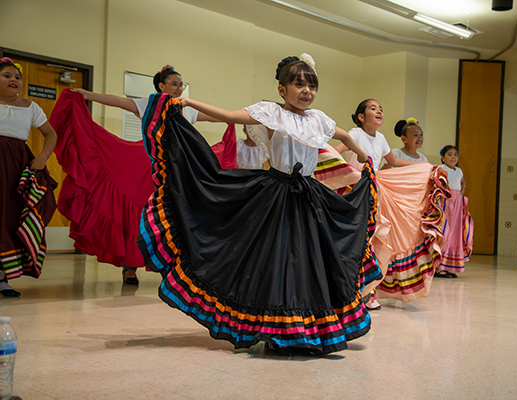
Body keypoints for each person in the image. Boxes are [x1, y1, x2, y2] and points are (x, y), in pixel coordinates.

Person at [137, 54, 382, 355]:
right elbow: (229, 115)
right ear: (282, 89)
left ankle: (304, 327)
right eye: (298, 84)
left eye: (312, 86)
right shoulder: (271, 112)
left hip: (308, 196)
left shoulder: (318, 119)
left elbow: (343, 134)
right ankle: (274, 327)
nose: (306, 91)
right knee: (276, 261)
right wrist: (189, 103)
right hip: (275, 196)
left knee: (307, 262)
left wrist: (365, 157)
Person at [51, 65, 232, 285]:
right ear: (161, 85)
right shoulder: (149, 103)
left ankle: (173, 265)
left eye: (181, 85)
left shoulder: (187, 108)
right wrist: (88, 95)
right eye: (174, 84)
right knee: (139, 212)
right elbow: (117, 101)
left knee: (174, 213)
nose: (179, 88)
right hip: (146, 161)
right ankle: (130, 266)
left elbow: (213, 116)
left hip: (176, 166)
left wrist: (232, 118)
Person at [320, 102, 449, 308]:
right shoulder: (354, 133)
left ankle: (370, 292)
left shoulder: (380, 138)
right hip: (356, 190)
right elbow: (336, 150)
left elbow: (395, 162)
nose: (379, 111)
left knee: (377, 239)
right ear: (361, 116)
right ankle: (351, 290)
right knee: (361, 238)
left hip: (376, 189)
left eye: (381, 108)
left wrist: (425, 166)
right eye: (373, 108)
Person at [0, 57, 58, 297]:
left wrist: (43, 157)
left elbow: (51, 134)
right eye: (7, 75)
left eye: (17, 77)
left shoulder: (31, 106)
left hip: (16, 168)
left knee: (10, 215)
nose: (14, 79)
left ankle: (3, 278)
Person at [436, 145, 473, 277]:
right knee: (446, 231)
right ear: (442, 157)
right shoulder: (441, 169)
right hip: (446, 202)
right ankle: (439, 266)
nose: (453, 157)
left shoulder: (459, 170)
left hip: (457, 203)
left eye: (455, 154)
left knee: (456, 233)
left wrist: (460, 193)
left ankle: (449, 266)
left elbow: (463, 182)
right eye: (449, 154)